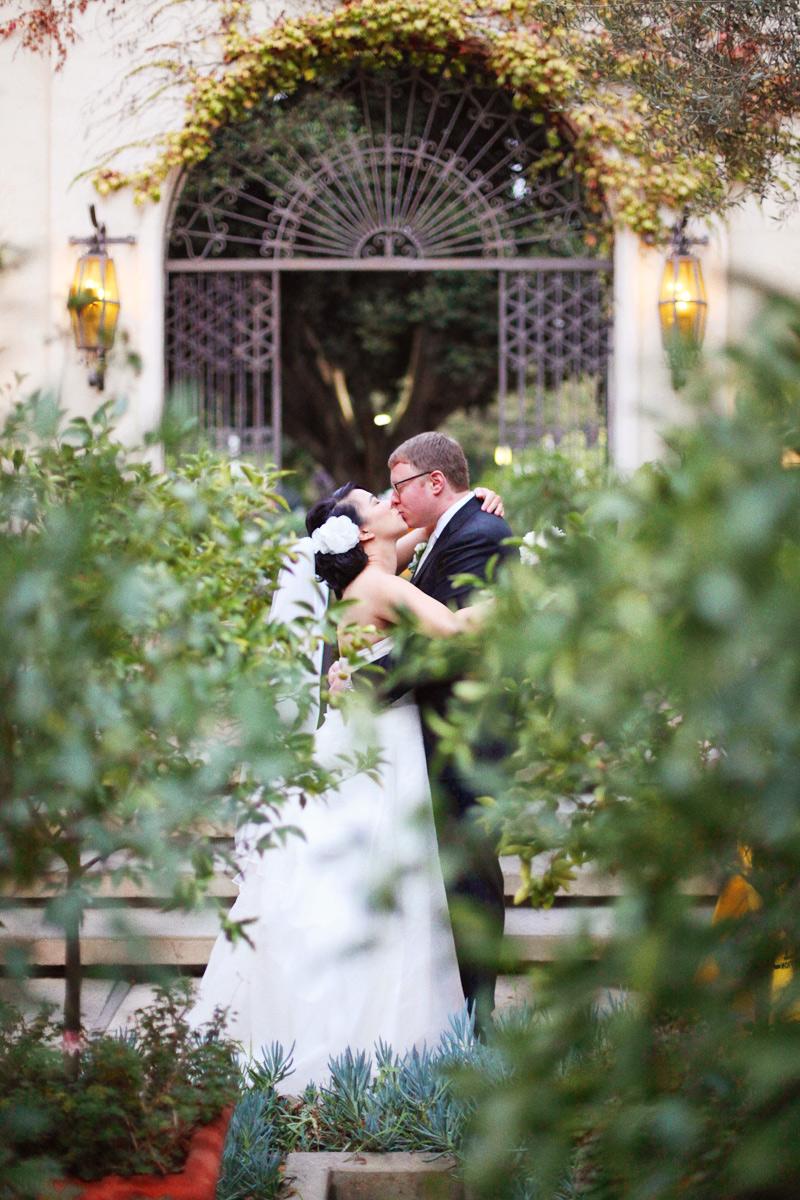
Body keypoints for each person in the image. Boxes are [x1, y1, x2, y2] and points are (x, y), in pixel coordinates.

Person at [189, 482, 487, 1091]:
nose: (386, 500)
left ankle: (325, 1032)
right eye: (375, 501)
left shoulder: (364, 578)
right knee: (384, 883)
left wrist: (471, 496)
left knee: (343, 888)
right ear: (361, 532)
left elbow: (424, 531)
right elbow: (455, 634)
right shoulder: (381, 584)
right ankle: (373, 1046)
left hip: (356, 743)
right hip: (383, 746)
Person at [386, 432, 516, 1034]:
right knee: (455, 875)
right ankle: (462, 1012)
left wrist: (367, 684)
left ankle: (479, 1020)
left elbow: (454, 645)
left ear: (435, 482)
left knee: (471, 876)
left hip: (470, 734)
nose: (395, 500)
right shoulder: (449, 532)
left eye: (400, 487)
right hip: (440, 733)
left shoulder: (479, 534)